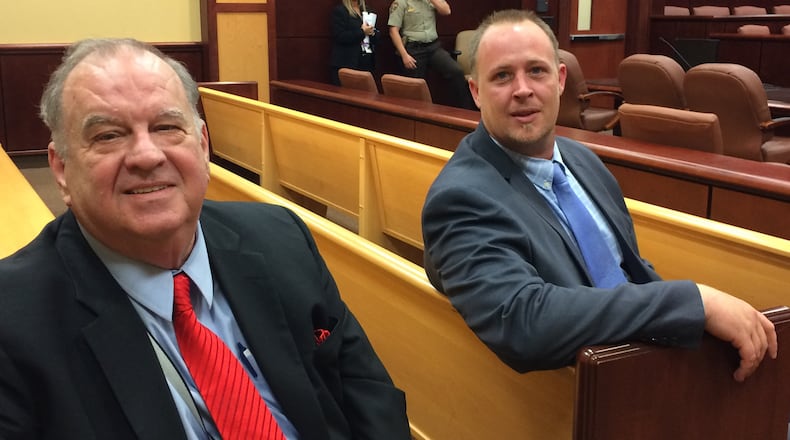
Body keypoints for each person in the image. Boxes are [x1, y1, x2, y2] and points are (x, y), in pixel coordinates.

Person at [0, 38, 410, 439]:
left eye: (166, 127)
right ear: (60, 169)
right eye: (108, 135)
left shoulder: (280, 236)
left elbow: (368, 393)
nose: (147, 155)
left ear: (202, 145)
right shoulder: (14, 322)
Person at [421, 10, 777, 380]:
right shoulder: (461, 198)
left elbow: (627, 273)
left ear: (560, 80)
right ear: (476, 91)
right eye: (502, 76)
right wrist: (693, 303)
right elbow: (524, 321)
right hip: (586, 391)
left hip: (643, 359)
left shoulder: (582, 161)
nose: (522, 89)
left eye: (537, 71)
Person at [387, 0, 474, 109]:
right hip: (413, 49)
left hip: (433, 47)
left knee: (456, 71)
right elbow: (393, 31)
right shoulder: (401, 2)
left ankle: (463, 110)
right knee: (416, 86)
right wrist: (404, 55)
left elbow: (446, 11)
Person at [329, 0, 378, 86]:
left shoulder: (367, 10)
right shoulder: (340, 11)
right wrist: (362, 32)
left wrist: (373, 32)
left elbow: (376, 36)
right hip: (347, 62)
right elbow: (340, 36)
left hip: (366, 61)